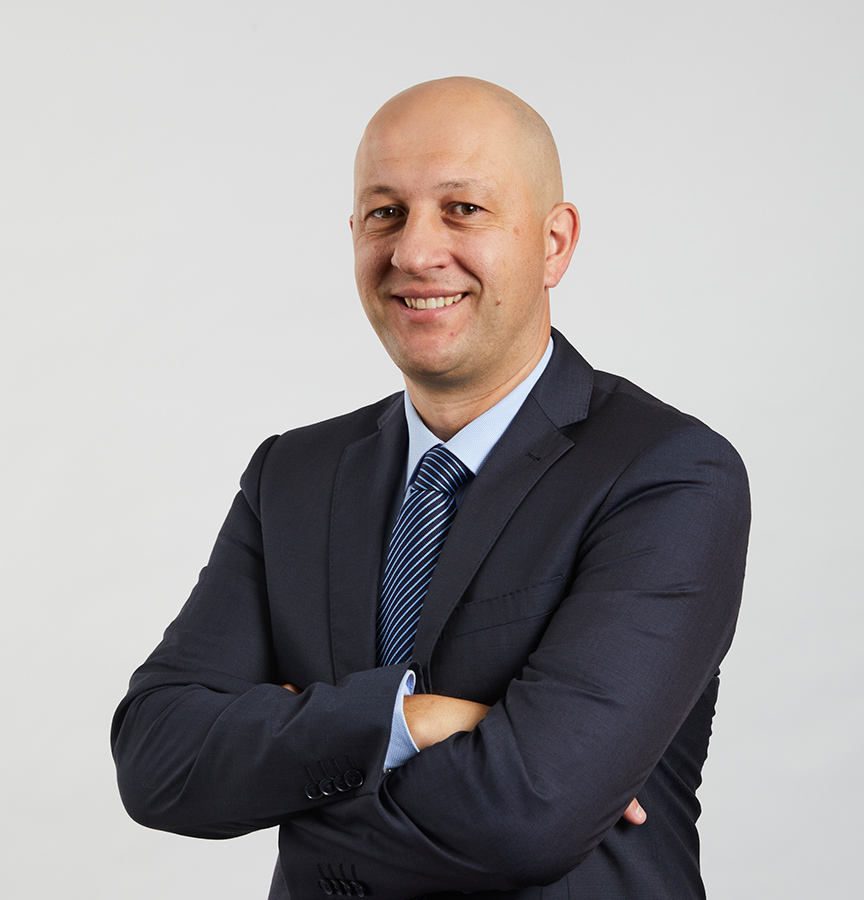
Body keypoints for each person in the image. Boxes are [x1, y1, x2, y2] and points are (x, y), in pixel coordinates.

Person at [112, 77, 750, 899]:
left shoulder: (667, 475)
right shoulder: (293, 476)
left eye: (464, 210)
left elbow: (528, 815)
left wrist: (303, 793)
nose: (414, 252)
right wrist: (409, 721)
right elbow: (157, 757)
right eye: (385, 212)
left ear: (555, 242)